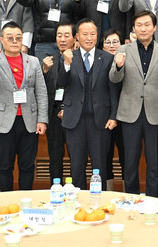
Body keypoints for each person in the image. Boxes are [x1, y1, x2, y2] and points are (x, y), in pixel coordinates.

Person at [109, 10, 158, 196]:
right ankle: (131, 199)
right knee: (130, 162)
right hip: (130, 113)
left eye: (147, 25)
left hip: (155, 114)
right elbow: (114, 79)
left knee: (154, 163)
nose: (143, 28)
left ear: (154, 28)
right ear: (133, 28)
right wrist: (118, 66)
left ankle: (153, 200)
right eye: (139, 25)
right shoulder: (123, 50)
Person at [0, 22, 48, 191]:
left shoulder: (33, 61)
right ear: (1, 40)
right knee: (4, 166)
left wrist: (42, 120)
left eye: (18, 38)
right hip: (3, 121)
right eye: (10, 38)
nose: (15, 41)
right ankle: (7, 200)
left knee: (27, 165)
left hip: (28, 121)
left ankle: (26, 200)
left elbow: (41, 91)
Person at [58, 19, 118, 189]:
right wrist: (66, 64)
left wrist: (114, 116)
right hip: (74, 120)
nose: (89, 38)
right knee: (76, 166)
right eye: (85, 34)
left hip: (100, 121)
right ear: (77, 36)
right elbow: (61, 83)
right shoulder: (69, 56)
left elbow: (113, 90)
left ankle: (99, 201)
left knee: (100, 167)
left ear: (97, 36)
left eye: (92, 34)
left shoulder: (107, 58)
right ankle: (77, 200)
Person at [41, 22, 75, 184]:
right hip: (53, 116)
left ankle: (75, 189)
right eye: (59, 35)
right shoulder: (49, 61)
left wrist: (68, 109)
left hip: (74, 115)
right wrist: (44, 71)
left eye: (67, 35)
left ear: (75, 38)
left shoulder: (80, 60)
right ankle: (55, 189)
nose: (62, 39)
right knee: (55, 157)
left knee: (76, 157)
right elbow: (41, 90)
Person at [101, 29, 125, 185]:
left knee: (126, 156)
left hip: (126, 116)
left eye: (115, 42)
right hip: (104, 116)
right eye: (107, 42)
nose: (111, 45)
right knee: (105, 156)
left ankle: (127, 192)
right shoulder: (98, 62)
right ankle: (107, 192)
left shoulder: (129, 61)